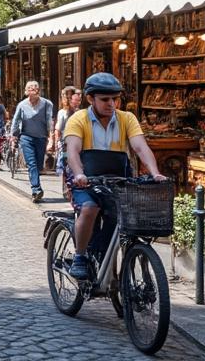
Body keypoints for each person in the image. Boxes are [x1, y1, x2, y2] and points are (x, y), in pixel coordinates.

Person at [63, 72, 167, 280]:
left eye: (115, 99)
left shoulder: (127, 118)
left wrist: (155, 173)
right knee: (90, 208)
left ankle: (109, 271)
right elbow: (73, 151)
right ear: (90, 98)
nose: (111, 103)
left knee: (119, 220)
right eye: (105, 99)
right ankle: (80, 256)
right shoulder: (78, 119)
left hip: (118, 182)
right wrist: (80, 173)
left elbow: (140, 147)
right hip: (86, 181)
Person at [11, 80, 54, 202]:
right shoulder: (22, 105)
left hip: (41, 138)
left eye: (35, 87)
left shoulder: (47, 104)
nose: (33, 89)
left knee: (39, 165)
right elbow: (16, 120)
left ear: (39, 90)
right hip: (26, 137)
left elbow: (49, 120)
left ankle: (36, 186)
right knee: (31, 164)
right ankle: (36, 189)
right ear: (26, 91)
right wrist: (14, 135)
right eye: (29, 88)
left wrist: (51, 137)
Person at [54, 86, 80, 179]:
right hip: (78, 143)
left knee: (66, 165)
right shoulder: (82, 113)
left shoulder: (62, 112)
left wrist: (57, 143)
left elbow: (58, 129)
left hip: (67, 143)